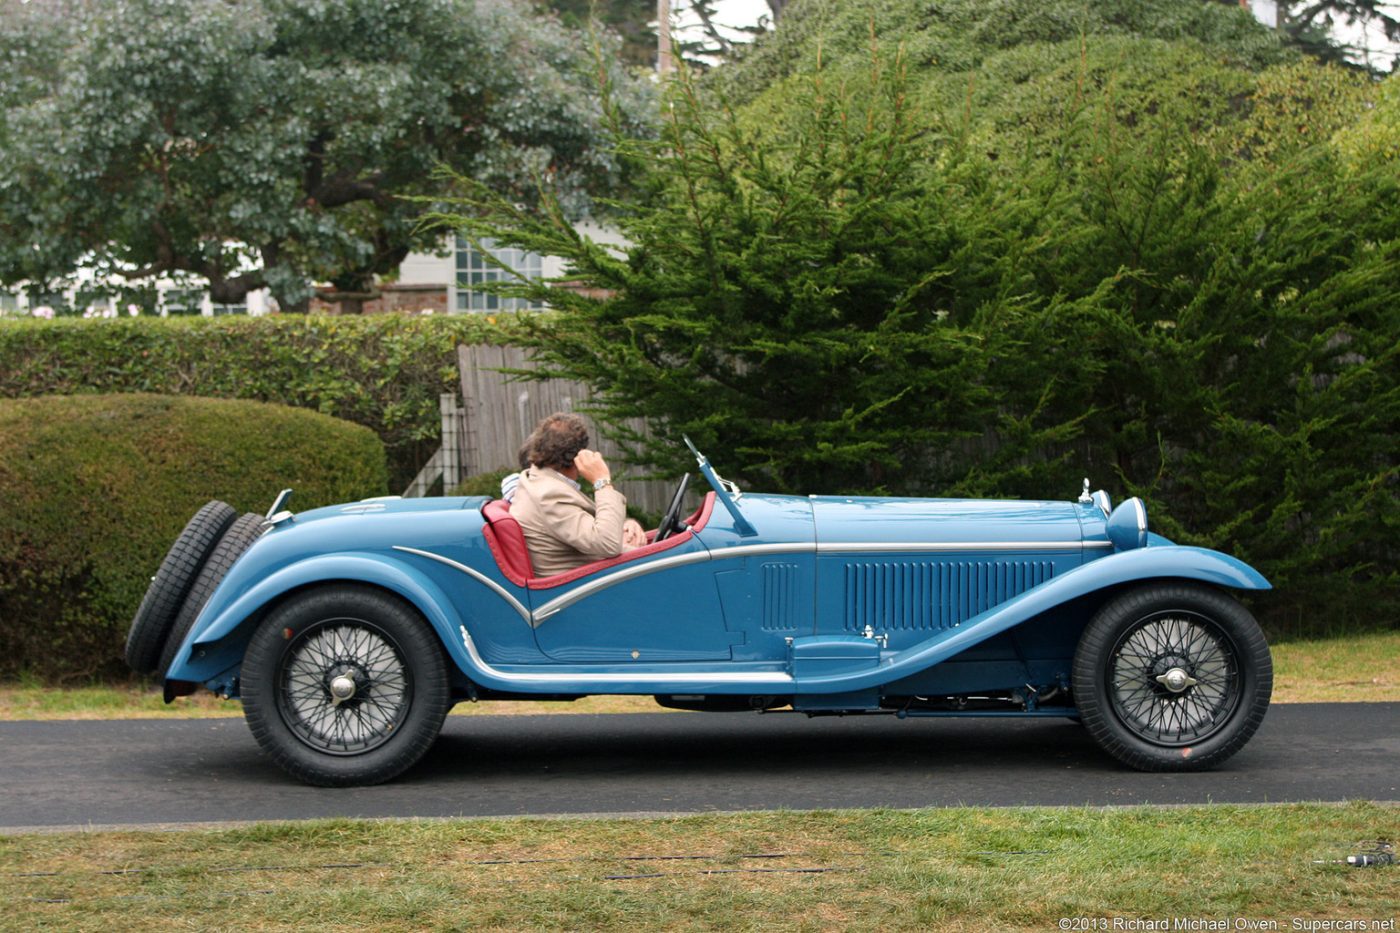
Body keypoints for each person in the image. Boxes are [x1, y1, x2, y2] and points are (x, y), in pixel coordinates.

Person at [511, 413, 647, 576]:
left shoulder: (537, 480)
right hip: (584, 589)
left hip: (592, 576)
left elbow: (588, 528)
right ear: (579, 455)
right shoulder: (549, 495)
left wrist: (626, 525)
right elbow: (608, 544)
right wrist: (602, 482)